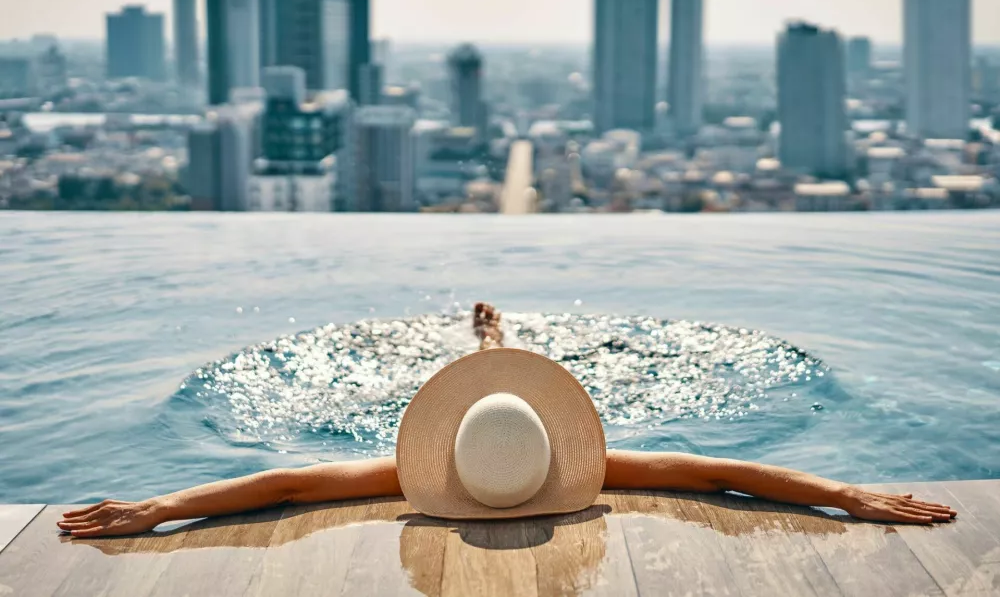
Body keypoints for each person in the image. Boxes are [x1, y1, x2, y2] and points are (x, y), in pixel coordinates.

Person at [58, 302, 955, 538]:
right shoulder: (599, 470)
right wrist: (842, 495)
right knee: (494, 378)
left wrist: (163, 506)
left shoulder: (405, 473)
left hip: (494, 426)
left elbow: (286, 483)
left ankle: (494, 338)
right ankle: (494, 339)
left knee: (494, 377)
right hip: (502, 423)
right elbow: (716, 470)